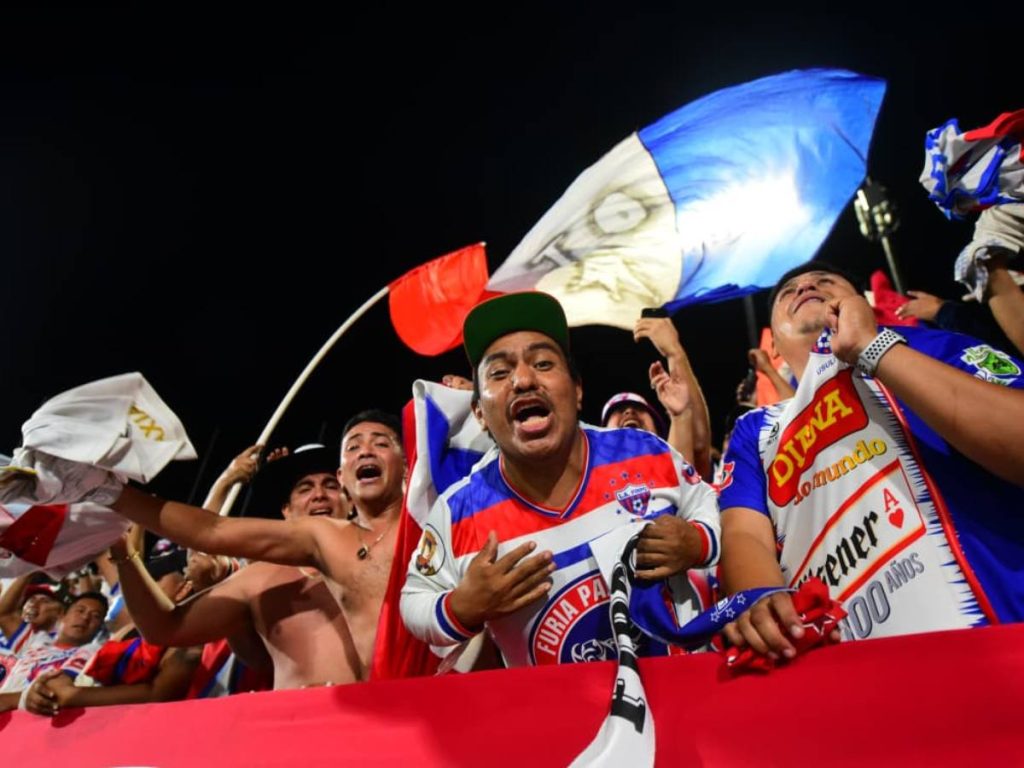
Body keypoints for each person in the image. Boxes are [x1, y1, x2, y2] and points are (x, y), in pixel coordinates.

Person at [718, 260, 1024, 661]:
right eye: (789, 291)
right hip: (860, 680)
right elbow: (744, 534)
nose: (807, 286)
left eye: (825, 281)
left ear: (859, 302)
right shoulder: (755, 432)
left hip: (1002, 635)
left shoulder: (930, 346)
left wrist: (871, 347)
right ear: (773, 342)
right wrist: (758, 596)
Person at [400, 291, 720, 667]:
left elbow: (712, 504)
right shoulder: (458, 509)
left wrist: (698, 542)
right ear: (479, 413)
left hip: (682, 703)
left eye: (543, 363)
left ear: (578, 390)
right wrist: (461, 607)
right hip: (562, 721)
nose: (522, 379)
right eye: (499, 373)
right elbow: (415, 600)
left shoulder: (641, 452)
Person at [111, 441, 379, 689]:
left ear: (351, 503)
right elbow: (162, 628)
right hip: (296, 726)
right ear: (286, 511)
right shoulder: (258, 577)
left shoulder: (385, 557)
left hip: (384, 722)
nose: (319, 495)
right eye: (305, 488)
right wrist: (124, 552)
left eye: (331, 485)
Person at [0, 591, 107, 711]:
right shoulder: (37, 641)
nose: (85, 617)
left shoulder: (92, 652)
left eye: (96, 616)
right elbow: (4, 614)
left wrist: (7, 700)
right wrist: (30, 572)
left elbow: (55, 693)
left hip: (26, 721)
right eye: (80, 610)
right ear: (62, 616)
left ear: (99, 628)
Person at [0, 578, 64, 654]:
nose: (34, 604)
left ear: (59, 612)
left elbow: (5, 614)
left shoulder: (53, 643)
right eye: (31, 599)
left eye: (44, 601)